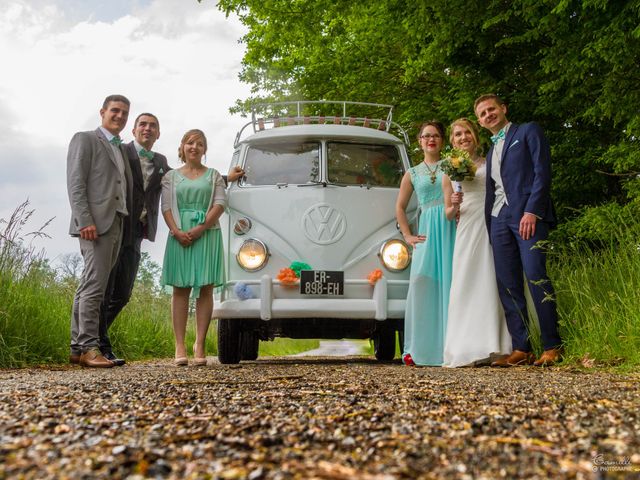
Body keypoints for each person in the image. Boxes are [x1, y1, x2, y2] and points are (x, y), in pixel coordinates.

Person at [474, 94, 562, 367]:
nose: (488, 115)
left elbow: (542, 172)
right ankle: (521, 348)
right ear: (479, 121)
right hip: (498, 219)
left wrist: (531, 211)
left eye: (491, 109)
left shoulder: (527, 131)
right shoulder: (490, 150)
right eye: (482, 114)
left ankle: (552, 345)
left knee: (536, 275)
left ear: (503, 108)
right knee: (508, 285)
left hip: (527, 216)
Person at [98, 113, 170, 366]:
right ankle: (99, 344)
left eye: (153, 126)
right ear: (134, 130)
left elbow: (186, 178)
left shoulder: (161, 161)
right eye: (143, 124)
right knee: (104, 290)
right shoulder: (121, 151)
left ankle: (94, 339)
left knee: (123, 293)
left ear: (158, 133)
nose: (148, 129)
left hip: (137, 233)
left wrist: (226, 178)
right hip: (115, 227)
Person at [67, 94, 133, 368]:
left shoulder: (119, 147)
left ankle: (77, 347)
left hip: (116, 221)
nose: (119, 116)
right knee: (95, 285)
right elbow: (76, 182)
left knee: (92, 284)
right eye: (115, 110)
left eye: (124, 112)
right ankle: (89, 347)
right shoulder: (85, 139)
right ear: (102, 112)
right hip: (95, 223)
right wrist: (85, 220)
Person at [441, 118, 511, 367]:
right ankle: (468, 345)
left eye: (467, 132)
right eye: (458, 134)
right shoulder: (449, 170)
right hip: (467, 224)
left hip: (490, 221)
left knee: (492, 277)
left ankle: (498, 344)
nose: (463, 137)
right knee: (467, 280)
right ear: (452, 141)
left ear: (474, 136)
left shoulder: (489, 161)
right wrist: (455, 204)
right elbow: (448, 213)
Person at [160, 129, 227, 366]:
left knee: (205, 288)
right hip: (179, 234)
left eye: (199, 144)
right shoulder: (170, 177)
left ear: (204, 150)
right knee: (180, 288)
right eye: (190, 143)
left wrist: (201, 228)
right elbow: (166, 206)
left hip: (207, 233)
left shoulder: (214, 176)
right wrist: (176, 231)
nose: (194, 147)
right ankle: (179, 345)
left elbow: (220, 203)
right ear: (182, 147)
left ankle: (200, 343)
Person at [396, 121, 456, 366]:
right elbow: (400, 207)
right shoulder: (412, 173)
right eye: (426, 136)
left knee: (451, 284)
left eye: (436, 136)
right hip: (427, 232)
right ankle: (420, 347)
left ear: (442, 140)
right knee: (422, 284)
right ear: (420, 141)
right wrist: (408, 236)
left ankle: (450, 347)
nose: (431, 139)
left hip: (451, 227)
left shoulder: (453, 166)